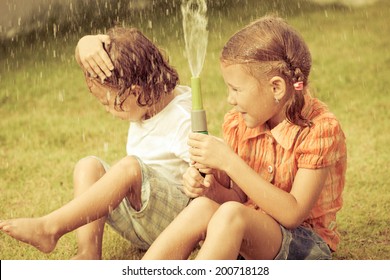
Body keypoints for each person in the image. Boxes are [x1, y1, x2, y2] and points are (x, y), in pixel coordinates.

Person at [142, 15, 347, 260]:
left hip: (305, 244)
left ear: (276, 88)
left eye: (236, 89)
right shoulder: (240, 124)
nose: (230, 99)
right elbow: (238, 198)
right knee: (202, 207)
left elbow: (293, 213)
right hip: (249, 229)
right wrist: (210, 188)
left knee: (231, 215)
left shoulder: (319, 129)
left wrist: (229, 161)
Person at [0, 27, 193, 259]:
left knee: (130, 167)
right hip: (144, 221)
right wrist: (85, 42)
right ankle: (88, 253)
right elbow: (93, 52)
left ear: (135, 91)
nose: (107, 111)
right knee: (88, 165)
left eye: (109, 103)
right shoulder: (145, 104)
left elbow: (208, 185)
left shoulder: (182, 119)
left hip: (176, 225)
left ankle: (50, 228)